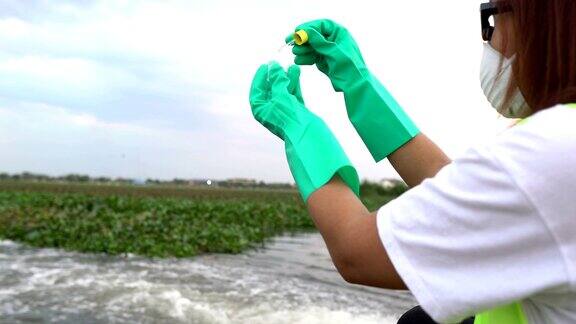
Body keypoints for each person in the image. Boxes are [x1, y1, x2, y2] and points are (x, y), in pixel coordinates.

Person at [248, 0, 576, 323]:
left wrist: (300, 131)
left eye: (492, 18)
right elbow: (466, 201)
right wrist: (358, 83)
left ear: (544, 24)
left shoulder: (557, 149)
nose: (488, 39)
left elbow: (357, 253)